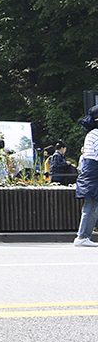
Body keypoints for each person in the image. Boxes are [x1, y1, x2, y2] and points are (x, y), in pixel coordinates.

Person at [73, 106, 98, 247]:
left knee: (93, 204)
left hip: (90, 170)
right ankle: (82, 236)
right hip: (94, 171)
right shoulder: (96, 134)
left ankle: (84, 236)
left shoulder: (92, 133)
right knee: (91, 205)